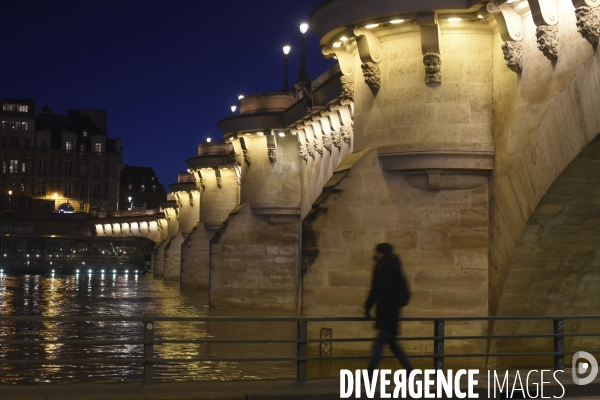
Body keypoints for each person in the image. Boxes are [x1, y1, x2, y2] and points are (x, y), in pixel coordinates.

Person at [364, 243, 413, 378]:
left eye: (378, 252)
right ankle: (411, 373)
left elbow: (402, 291)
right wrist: (367, 307)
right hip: (384, 313)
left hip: (390, 314)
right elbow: (375, 290)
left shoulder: (392, 267)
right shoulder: (380, 267)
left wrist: (394, 307)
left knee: (378, 345)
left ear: (383, 253)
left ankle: (369, 377)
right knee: (394, 347)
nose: (375, 254)